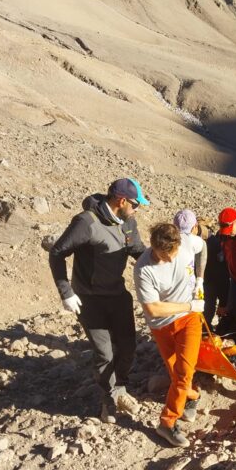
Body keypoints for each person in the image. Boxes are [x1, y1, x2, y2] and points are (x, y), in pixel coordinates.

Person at [49, 178, 149, 423]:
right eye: (136, 204)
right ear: (121, 201)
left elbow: (139, 253)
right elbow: (57, 252)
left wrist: (169, 263)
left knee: (127, 348)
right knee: (104, 354)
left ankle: (121, 388)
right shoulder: (86, 222)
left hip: (117, 296)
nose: (137, 210)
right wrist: (66, 292)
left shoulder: (128, 223)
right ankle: (108, 399)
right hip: (89, 300)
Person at [134, 223, 205, 448]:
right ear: (154, 248)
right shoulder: (144, 269)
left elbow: (203, 246)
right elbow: (153, 309)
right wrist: (189, 304)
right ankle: (191, 397)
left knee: (184, 371)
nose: (172, 259)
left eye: (174, 253)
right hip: (162, 324)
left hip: (189, 320)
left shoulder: (185, 243)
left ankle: (167, 422)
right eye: (166, 256)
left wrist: (200, 279)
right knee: (176, 372)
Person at [173, 208, 207, 299]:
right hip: (187, 294)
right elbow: (203, 246)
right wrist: (200, 281)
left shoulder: (165, 239)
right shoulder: (193, 240)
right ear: (194, 227)